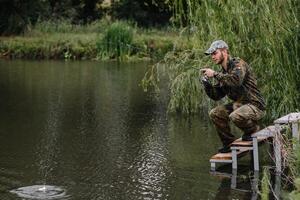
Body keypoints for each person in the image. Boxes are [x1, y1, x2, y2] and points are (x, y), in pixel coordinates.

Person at [200, 40, 266, 153]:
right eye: (211, 54)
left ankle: (253, 129)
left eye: (214, 53)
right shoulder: (223, 73)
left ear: (224, 51)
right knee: (215, 113)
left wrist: (215, 74)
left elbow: (236, 81)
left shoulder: (238, 64)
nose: (212, 56)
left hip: (255, 105)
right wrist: (207, 84)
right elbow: (216, 96)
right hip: (240, 106)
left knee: (235, 115)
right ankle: (228, 143)